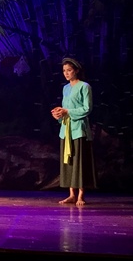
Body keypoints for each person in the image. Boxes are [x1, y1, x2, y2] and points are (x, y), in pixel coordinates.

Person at [51, 57, 97, 206]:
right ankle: (71, 194)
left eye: (69, 70)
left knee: (79, 162)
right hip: (66, 129)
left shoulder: (84, 86)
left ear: (76, 71)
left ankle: (81, 195)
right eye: (64, 71)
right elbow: (65, 108)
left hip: (79, 129)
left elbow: (87, 108)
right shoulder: (65, 88)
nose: (66, 73)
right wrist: (58, 114)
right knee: (69, 161)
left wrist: (68, 112)